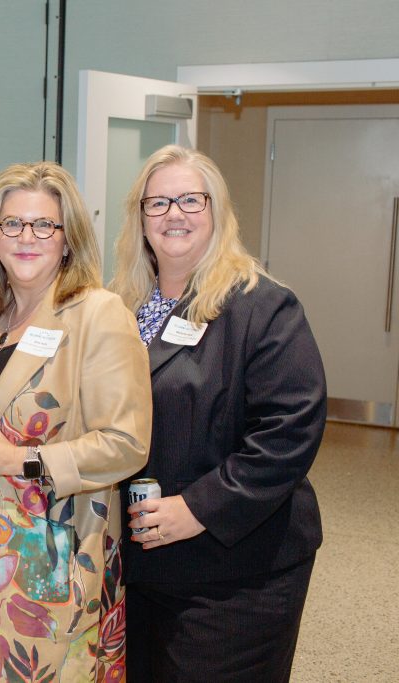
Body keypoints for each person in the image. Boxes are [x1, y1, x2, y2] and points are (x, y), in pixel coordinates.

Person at [110, 144, 327, 682]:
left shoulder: (263, 305)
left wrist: (201, 508)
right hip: (140, 561)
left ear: (217, 211)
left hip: (237, 566)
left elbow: (289, 431)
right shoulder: (122, 304)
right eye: (157, 203)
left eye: (190, 199)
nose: (174, 214)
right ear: (139, 218)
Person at [0, 161, 152, 681]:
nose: (26, 237)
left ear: (68, 238)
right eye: (12, 224)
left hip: (48, 551)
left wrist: (20, 459)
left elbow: (126, 443)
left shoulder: (98, 313)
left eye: (43, 225)